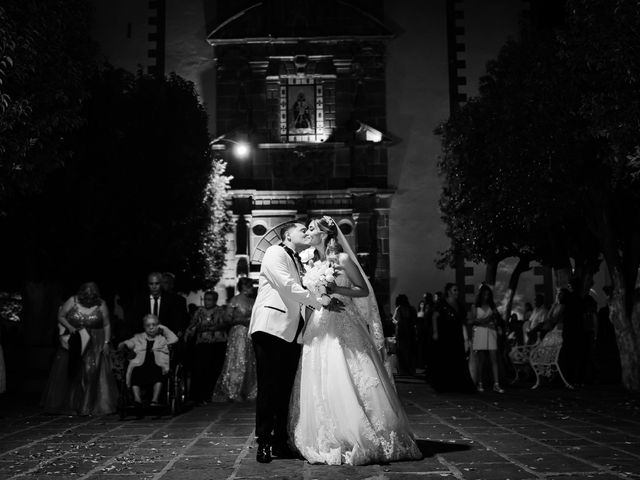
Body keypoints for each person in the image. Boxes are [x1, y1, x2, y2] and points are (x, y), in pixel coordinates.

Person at [289, 216, 421, 466]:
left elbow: (363, 290)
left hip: (343, 318)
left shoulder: (342, 259)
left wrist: (336, 290)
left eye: (313, 229)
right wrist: (317, 297)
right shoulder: (310, 260)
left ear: (326, 234)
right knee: (320, 375)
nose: (308, 233)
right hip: (320, 321)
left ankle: (358, 433)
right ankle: (326, 434)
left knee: (348, 370)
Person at [249, 222, 344, 464]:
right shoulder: (274, 252)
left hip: (293, 331)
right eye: (302, 230)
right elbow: (286, 285)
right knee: (269, 388)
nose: (306, 232)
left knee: (285, 390)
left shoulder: (299, 260)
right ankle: (264, 442)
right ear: (288, 235)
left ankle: (281, 441)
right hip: (271, 327)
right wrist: (319, 301)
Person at [42, 282, 118, 415]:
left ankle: (89, 405)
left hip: (95, 342)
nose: (89, 296)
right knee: (73, 370)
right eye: (86, 294)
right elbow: (60, 316)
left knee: (92, 371)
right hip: (76, 340)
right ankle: (73, 404)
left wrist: (106, 342)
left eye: (92, 294)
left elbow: (106, 324)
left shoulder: (101, 304)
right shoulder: (73, 300)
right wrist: (70, 327)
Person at [118, 314, 178, 414]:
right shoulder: (138, 337)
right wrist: (126, 344)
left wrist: (163, 328)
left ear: (158, 326)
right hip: (141, 364)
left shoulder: (162, 338)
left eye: (154, 325)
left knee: (159, 372)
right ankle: (138, 401)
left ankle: (154, 401)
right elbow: (130, 343)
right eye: (148, 325)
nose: (151, 327)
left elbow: (174, 339)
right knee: (135, 372)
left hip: (158, 364)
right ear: (144, 327)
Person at [212, 277, 258, 402]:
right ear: (243, 287)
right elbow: (227, 319)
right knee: (238, 360)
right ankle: (234, 389)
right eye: (250, 286)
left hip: (251, 334)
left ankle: (249, 389)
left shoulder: (254, 301)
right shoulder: (234, 300)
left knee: (250, 361)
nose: (252, 289)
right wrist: (241, 320)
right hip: (238, 333)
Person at [429, 283, 477, 394]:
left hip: (457, 334)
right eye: (454, 290)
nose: (457, 292)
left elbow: (464, 318)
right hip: (445, 335)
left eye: (457, 290)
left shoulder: (459, 304)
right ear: (449, 291)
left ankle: (458, 385)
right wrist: (435, 332)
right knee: (446, 359)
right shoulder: (442, 303)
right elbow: (434, 317)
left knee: (457, 358)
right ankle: (445, 385)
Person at [184, 291, 228, 404]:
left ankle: (213, 394)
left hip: (217, 343)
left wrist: (211, 327)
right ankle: (200, 395)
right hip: (202, 343)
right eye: (206, 299)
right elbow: (192, 324)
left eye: (210, 299)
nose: (207, 302)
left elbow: (225, 323)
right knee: (201, 369)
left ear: (215, 300)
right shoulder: (199, 311)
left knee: (215, 369)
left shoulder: (220, 311)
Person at [129, 272, 188, 337]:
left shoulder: (172, 300)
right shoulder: (140, 301)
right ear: (148, 284)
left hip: (166, 340)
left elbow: (176, 321)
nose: (154, 287)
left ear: (161, 284)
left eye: (157, 283)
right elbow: (135, 322)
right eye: (151, 284)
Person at [469, 284, 504, 393]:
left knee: (493, 358)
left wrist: (496, 325)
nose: (486, 297)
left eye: (488, 295)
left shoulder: (492, 306)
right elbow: (472, 321)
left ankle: (496, 384)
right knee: (481, 359)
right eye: (484, 295)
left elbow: (497, 319)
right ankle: (480, 383)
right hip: (480, 332)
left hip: (491, 332)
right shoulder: (475, 306)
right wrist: (485, 320)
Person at [393, 294, 417, 375]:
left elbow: (394, 319)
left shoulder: (399, 309)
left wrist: (398, 323)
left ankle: (403, 371)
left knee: (402, 352)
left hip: (401, 332)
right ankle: (411, 370)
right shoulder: (412, 309)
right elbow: (414, 320)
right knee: (410, 351)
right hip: (410, 332)